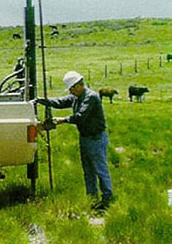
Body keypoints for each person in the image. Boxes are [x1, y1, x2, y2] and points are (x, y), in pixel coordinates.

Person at [36, 71, 114, 210]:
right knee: (88, 171)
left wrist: (62, 120)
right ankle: (92, 199)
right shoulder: (76, 97)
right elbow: (60, 102)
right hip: (85, 138)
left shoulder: (91, 98)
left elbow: (80, 116)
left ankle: (107, 199)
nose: (71, 92)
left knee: (100, 170)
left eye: (72, 89)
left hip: (96, 139)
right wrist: (42, 100)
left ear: (79, 86)